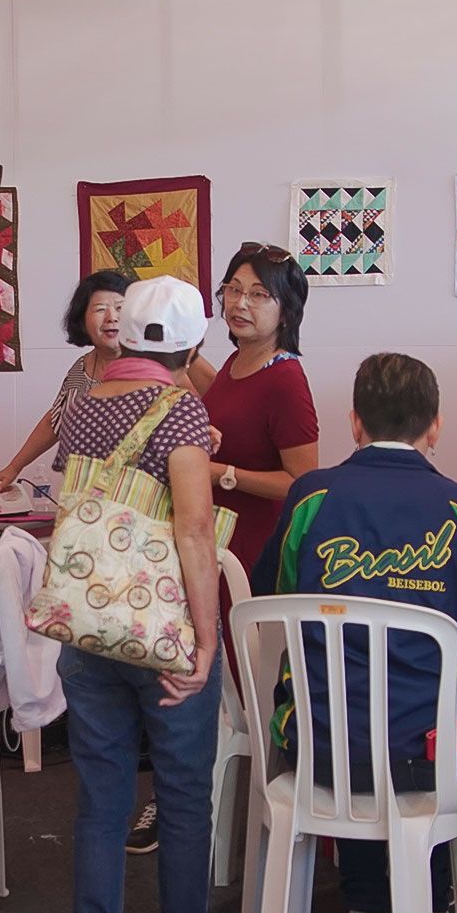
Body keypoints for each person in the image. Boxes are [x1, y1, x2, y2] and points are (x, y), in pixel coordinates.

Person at [255, 352, 457, 913]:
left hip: (318, 745)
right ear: (435, 426)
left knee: (349, 715)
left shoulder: (311, 497)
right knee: (417, 726)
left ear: (355, 423)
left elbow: (271, 592)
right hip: (427, 752)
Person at [54, 274, 224, 913]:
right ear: (192, 344)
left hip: (91, 624)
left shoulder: (81, 402)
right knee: (183, 794)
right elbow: (193, 529)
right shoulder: (180, 409)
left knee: (102, 797)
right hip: (162, 630)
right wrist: (206, 639)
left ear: (121, 331)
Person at [125, 243, 317, 855]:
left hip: (253, 559)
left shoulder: (286, 378)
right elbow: (209, 386)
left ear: (286, 309)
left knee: (230, 689)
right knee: (197, 682)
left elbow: (302, 483)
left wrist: (218, 472)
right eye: (233, 289)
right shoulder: (237, 364)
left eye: (259, 294)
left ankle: (238, 813)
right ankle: (185, 798)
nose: (240, 303)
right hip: (212, 546)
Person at [0, 271, 214, 492]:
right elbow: (55, 420)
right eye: (100, 309)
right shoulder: (81, 368)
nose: (111, 317)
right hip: (89, 498)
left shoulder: (161, 365)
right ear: (82, 320)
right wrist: (14, 467)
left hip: (149, 494)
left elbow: (206, 405)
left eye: (120, 308)